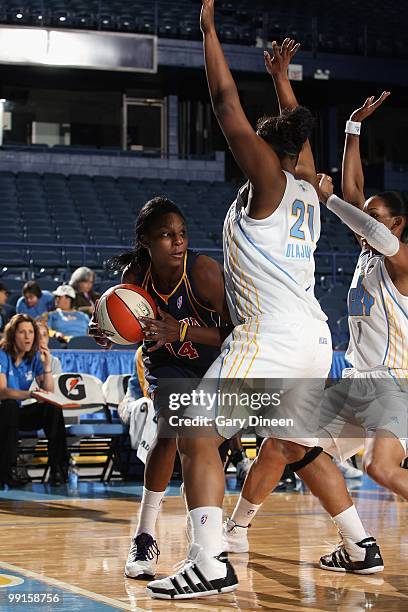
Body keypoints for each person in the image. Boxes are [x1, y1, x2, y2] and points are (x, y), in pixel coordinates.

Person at [146, 9, 381, 598]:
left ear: (264, 150)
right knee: (296, 445)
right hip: (310, 341)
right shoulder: (305, 185)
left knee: (197, 431)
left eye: (263, 132)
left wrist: (209, 35)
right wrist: (281, 77)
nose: (252, 134)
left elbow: (226, 104)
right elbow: (295, 133)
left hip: (270, 335)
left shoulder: (271, 183)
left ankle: (208, 561)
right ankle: (358, 543)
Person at [91, 196, 230, 580]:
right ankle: (145, 535)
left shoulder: (203, 272)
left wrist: (180, 329)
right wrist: (107, 331)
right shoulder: (136, 277)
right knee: (171, 429)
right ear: (145, 240)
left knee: (209, 448)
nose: (178, 241)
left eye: (182, 233)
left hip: (211, 361)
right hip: (166, 363)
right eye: (167, 235)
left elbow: (237, 333)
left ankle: (213, 531)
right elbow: (129, 326)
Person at [312, 91, 408, 568]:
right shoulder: (368, 252)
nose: (364, 222)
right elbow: (353, 195)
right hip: (358, 380)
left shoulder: (403, 259)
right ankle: (237, 529)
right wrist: (351, 128)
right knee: (294, 444)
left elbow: (356, 213)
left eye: (375, 216)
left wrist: (327, 199)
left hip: (394, 381)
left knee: (378, 469)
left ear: (398, 223)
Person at [0, 314, 68, 486]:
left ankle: (58, 469)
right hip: (3, 412)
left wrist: (46, 367)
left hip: (15, 415)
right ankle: (10, 469)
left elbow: (48, 393)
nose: (27, 336)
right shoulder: (2, 354)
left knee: (52, 408)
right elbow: (2, 392)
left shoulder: (34, 357)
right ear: (13, 335)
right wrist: (31, 395)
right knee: (9, 405)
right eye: (22, 332)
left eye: (31, 332)